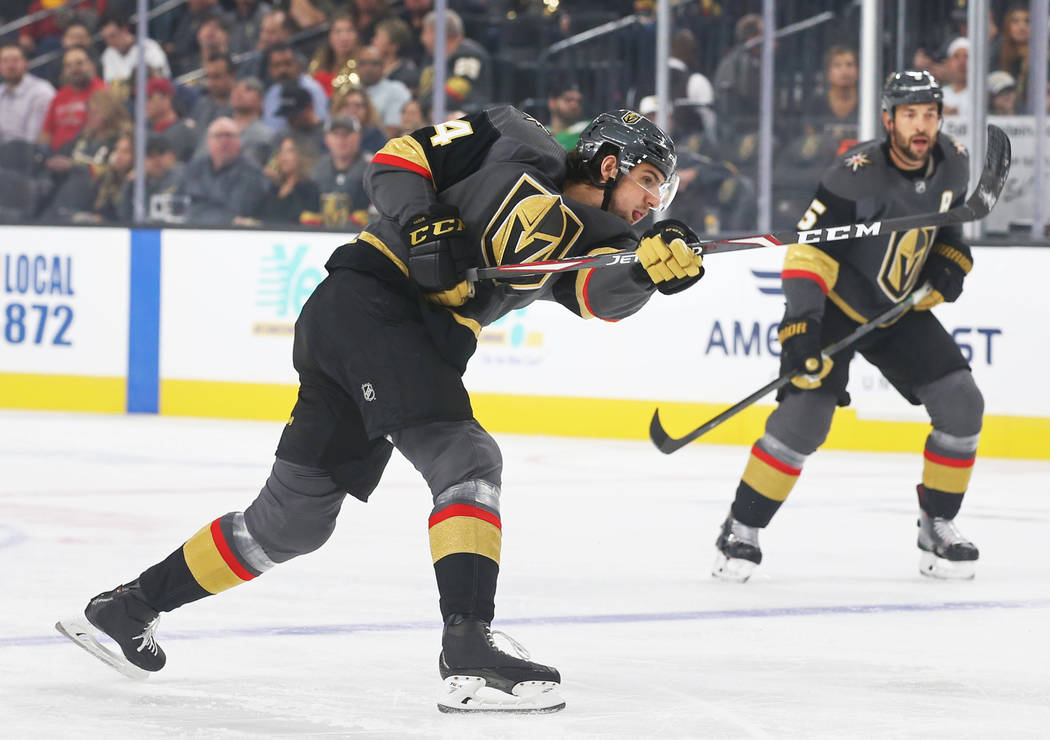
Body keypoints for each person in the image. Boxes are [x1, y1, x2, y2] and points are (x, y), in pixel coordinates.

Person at [57, 106, 705, 713]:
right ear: (609, 160)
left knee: (293, 521)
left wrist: (648, 273)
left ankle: (128, 609)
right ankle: (470, 653)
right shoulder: (515, 135)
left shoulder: (601, 236)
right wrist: (425, 222)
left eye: (663, 194)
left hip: (380, 334)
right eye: (649, 180)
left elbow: (594, 292)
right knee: (466, 457)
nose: (653, 201)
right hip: (373, 303)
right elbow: (398, 158)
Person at [713, 71, 981, 584]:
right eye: (909, 115)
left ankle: (937, 525)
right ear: (888, 120)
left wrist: (950, 263)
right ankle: (741, 528)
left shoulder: (955, 162)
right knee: (807, 416)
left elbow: (948, 228)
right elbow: (809, 255)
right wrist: (800, 329)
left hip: (899, 311)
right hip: (834, 306)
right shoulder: (855, 174)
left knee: (962, 403)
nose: (921, 126)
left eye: (929, 113)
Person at [174, 116, 267, 224]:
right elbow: (177, 204)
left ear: (239, 141)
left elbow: (236, 212)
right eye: (218, 136)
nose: (224, 141)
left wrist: (198, 211)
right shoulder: (194, 168)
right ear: (208, 142)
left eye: (229, 136)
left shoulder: (251, 172)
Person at [38, 45, 107, 153]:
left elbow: (102, 134)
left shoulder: (102, 92)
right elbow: (46, 132)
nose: (74, 69)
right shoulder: (59, 96)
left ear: (91, 65)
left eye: (79, 63)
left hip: (85, 156)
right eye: (68, 65)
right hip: (55, 157)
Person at [310, 113, 370, 227]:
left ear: (359, 136)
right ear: (326, 139)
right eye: (335, 134)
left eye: (347, 134)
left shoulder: (372, 168)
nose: (341, 139)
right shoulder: (316, 170)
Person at [0, 42, 56, 144]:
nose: (10, 65)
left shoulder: (41, 91)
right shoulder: (1, 91)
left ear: (25, 63)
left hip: (28, 154)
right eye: (5, 61)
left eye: (15, 60)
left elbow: (33, 140)